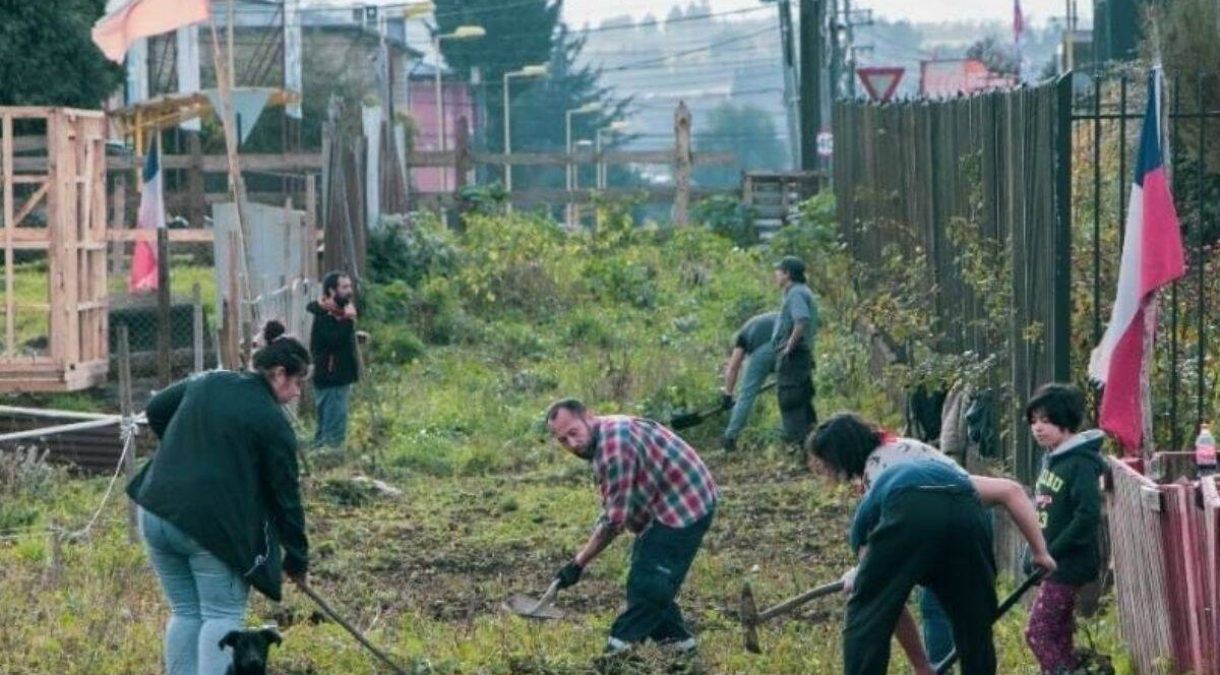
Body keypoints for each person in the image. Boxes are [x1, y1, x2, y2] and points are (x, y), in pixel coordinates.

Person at [808, 412, 1056, 675]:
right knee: (974, 621)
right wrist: (1041, 552)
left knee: (867, 611)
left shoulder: (876, 475)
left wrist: (863, 577)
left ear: (841, 459)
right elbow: (1011, 491)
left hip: (908, 507)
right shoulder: (917, 452)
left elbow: (890, 602)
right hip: (966, 511)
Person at [128, 320, 311, 675]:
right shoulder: (273, 424)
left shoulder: (211, 380)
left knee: (185, 611)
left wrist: (189, 450)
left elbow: (157, 410)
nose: (300, 391)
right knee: (220, 615)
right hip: (210, 528)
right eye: (298, 381)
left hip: (155, 511)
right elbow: (286, 498)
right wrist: (298, 558)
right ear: (277, 374)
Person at [545, 398, 718, 662]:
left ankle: (616, 657)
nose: (572, 444)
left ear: (589, 416)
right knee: (645, 585)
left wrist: (578, 564)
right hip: (661, 503)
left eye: (573, 433)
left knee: (649, 587)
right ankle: (684, 654)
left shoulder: (614, 448)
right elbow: (615, 504)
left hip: (686, 503)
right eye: (563, 440)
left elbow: (614, 522)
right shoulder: (603, 436)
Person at [1023, 383, 1105, 675]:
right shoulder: (1051, 460)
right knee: (1058, 635)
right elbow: (1041, 511)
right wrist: (1031, 550)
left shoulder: (1080, 463)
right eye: (1034, 421)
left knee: (1038, 633)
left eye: (1046, 420)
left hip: (1069, 564)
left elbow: (1087, 516)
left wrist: (1048, 551)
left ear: (1065, 419)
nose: (1038, 428)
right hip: (1052, 562)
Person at [307, 270, 359, 449]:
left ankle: (322, 459)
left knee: (327, 426)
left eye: (349, 286)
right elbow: (333, 340)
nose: (349, 291)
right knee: (333, 431)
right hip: (332, 377)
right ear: (331, 291)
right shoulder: (327, 315)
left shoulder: (335, 312)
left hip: (335, 376)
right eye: (344, 287)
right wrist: (348, 321)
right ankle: (330, 464)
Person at [771, 256, 818, 448]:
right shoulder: (800, 292)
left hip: (795, 355)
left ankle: (801, 447)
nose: (776, 275)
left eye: (779, 271)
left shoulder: (796, 293)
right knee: (803, 402)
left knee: (791, 401)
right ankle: (812, 446)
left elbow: (802, 320)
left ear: (788, 273)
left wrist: (789, 347)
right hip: (801, 354)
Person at [720, 311, 778, 451]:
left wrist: (728, 395)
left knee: (746, 395)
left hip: (767, 348)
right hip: (790, 344)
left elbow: (733, 367)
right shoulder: (775, 317)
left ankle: (730, 437)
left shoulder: (742, 336)